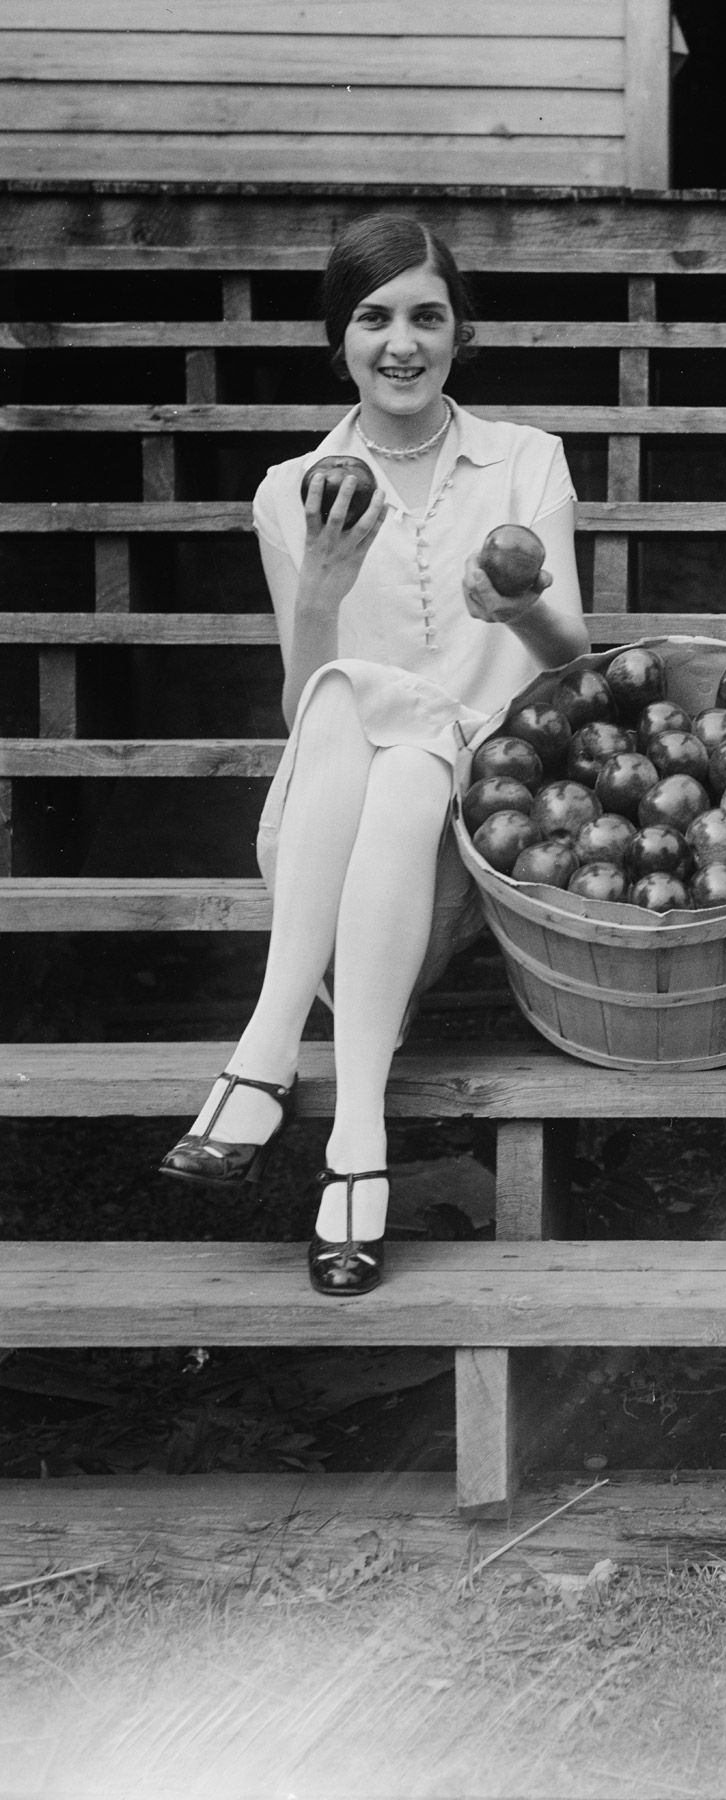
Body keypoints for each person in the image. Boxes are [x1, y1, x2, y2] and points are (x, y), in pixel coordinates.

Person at [157, 214, 588, 1296]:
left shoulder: (526, 461)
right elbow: (308, 712)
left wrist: (519, 607)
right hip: (345, 835)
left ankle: (264, 1052)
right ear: (338, 338)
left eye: (426, 316)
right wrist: (321, 589)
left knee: (421, 748)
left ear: (459, 333)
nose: (402, 342)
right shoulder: (290, 489)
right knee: (375, 730)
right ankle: (356, 1136)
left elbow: (572, 653)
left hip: (487, 817)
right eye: (373, 316)